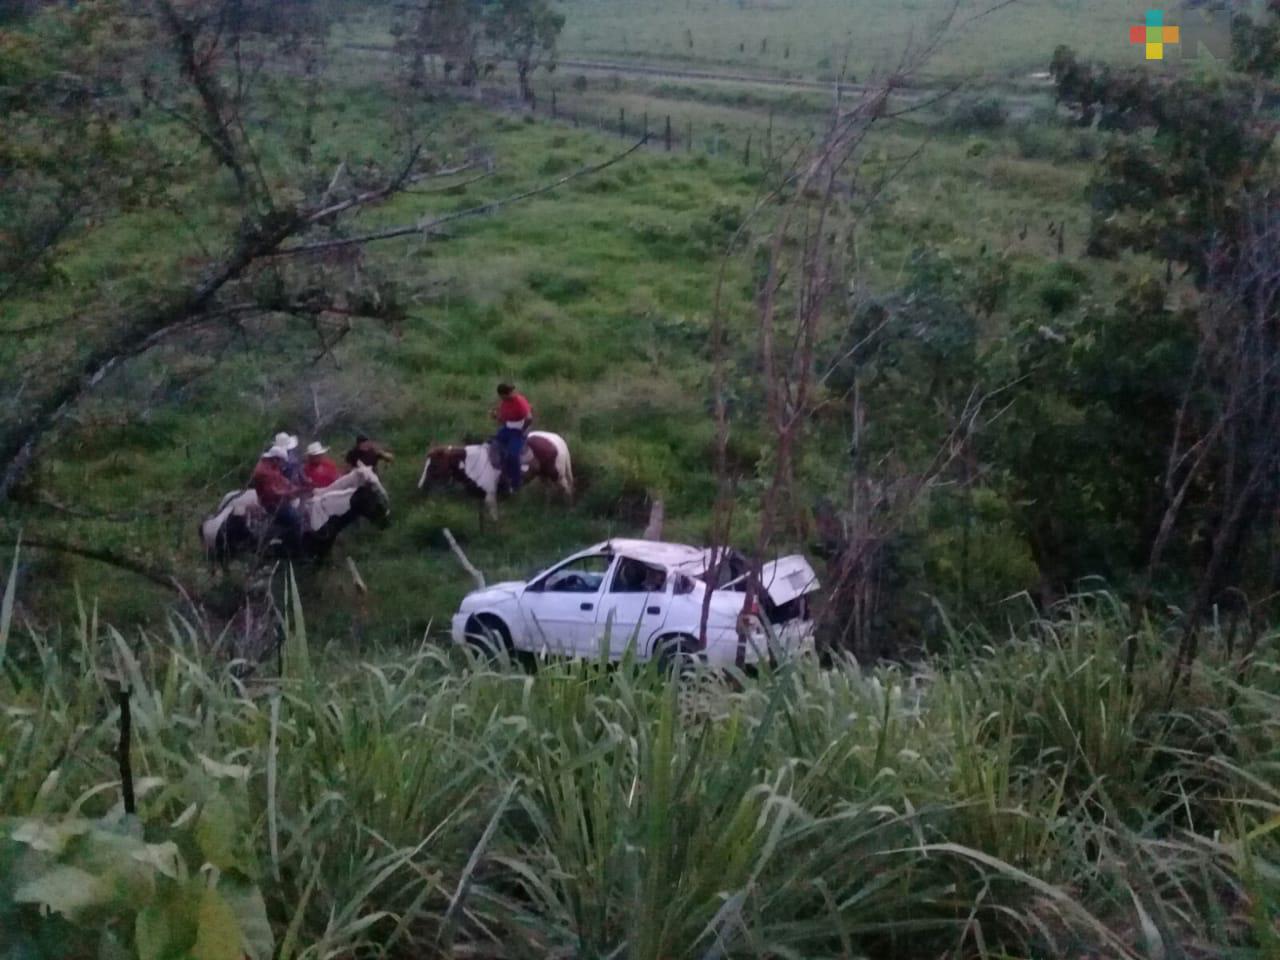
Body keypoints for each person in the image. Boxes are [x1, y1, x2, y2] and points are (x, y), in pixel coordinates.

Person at [251, 446, 307, 554]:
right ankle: (296, 551)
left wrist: (293, 486)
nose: (283, 465)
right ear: (276, 459)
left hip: (276, 499)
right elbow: (272, 492)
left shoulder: (272, 466)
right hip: (271, 504)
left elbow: (281, 479)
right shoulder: (264, 472)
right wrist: (291, 492)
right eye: (282, 462)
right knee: (296, 520)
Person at [492, 382, 532, 492]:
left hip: (518, 431)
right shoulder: (504, 402)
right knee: (493, 445)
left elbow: (529, 418)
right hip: (508, 428)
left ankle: (516, 482)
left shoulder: (519, 401)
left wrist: (522, 430)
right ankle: (499, 473)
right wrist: (496, 417)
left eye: (509, 393)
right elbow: (504, 419)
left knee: (513, 455)